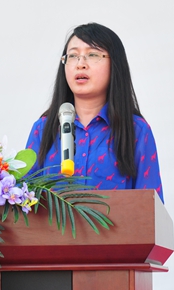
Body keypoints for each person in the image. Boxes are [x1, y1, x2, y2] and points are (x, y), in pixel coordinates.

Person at [26, 23, 164, 202]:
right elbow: (23, 201)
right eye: (73, 56)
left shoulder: (136, 130)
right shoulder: (44, 129)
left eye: (92, 55)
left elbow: (151, 208)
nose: (80, 64)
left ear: (115, 64)